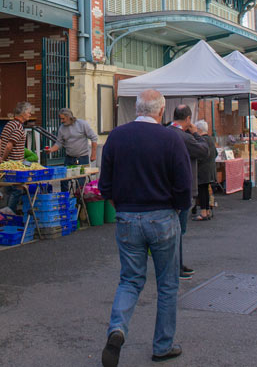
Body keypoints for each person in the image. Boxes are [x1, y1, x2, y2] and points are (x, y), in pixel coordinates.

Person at [99, 89, 192, 367]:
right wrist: (177, 208)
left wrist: (120, 205)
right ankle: (162, 345)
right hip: (163, 215)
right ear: (161, 111)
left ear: (138, 109)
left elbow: (106, 184)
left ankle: (117, 328)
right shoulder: (171, 138)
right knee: (167, 283)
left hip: (128, 216)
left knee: (130, 280)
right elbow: (183, 184)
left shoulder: (116, 136)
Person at [168, 105, 209, 280]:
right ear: (188, 119)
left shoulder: (166, 131)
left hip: (167, 186)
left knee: (173, 229)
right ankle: (175, 267)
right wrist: (196, 133)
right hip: (182, 187)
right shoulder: (184, 137)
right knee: (178, 230)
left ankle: (176, 265)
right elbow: (204, 150)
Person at [0, 102, 33, 214]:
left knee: (8, 189)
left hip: (7, 164)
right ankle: (9, 211)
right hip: (14, 164)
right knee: (17, 190)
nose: (30, 115)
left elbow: (0, 141)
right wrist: (3, 158)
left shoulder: (9, 124)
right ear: (23, 113)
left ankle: (5, 212)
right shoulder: (18, 127)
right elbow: (9, 145)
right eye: (29, 113)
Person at [193, 120, 217, 221]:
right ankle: (207, 211)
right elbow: (215, 153)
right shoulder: (211, 139)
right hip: (210, 169)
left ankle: (203, 213)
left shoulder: (201, 140)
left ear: (199, 129)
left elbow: (199, 155)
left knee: (202, 191)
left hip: (202, 169)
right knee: (206, 190)